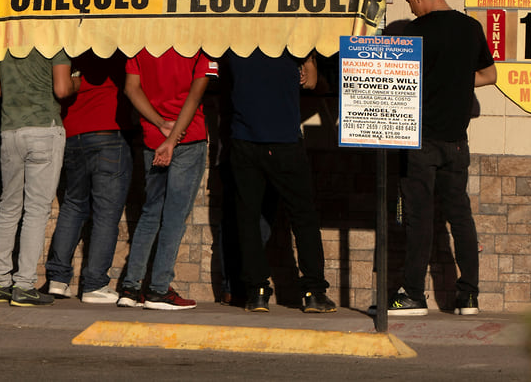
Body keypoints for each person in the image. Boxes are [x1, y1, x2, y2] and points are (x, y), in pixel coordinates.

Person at [391, 0, 496, 316]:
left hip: (420, 140)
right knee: (460, 217)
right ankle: (468, 296)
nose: (411, 9)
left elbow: (401, 80)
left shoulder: (415, 32)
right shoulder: (471, 28)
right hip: (457, 142)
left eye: (410, 2)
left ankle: (414, 295)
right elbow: (490, 75)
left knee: (419, 219)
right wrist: (458, 84)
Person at [221, 48, 336, 314]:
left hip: (245, 139)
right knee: (303, 218)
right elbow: (311, 82)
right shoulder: (293, 44)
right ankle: (313, 292)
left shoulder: (236, 42)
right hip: (284, 140)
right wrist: (308, 58)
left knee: (248, 218)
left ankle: (256, 292)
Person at [117, 48, 216, 310]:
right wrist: (172, 140)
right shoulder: (200, 46)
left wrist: (161, 125)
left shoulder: (141, 44)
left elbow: (131, 88)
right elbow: (196, 94)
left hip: (153, 137)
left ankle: (131, 287)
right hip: (187, 137)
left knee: (151, 213)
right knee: (174, 217)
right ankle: (159, 289)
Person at [0, 48, 78, 307]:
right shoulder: (53, 42)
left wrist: (17, 94)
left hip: (10, 130)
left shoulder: (1, 40)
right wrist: (76, 81)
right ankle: (24, 285)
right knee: (36, 210)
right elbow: (61, 89)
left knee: (8, 206)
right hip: (44, 128)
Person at [44, 52, 134, 304]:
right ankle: (94, 284)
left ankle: (58, 279)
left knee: (72, 206)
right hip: (110, 131)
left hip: (72, 133)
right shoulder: (120, 50)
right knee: (106, 213)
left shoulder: (71, 51)